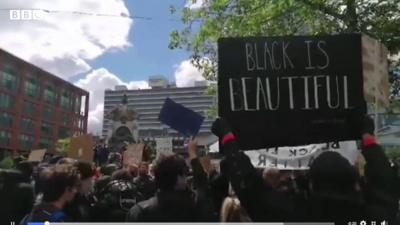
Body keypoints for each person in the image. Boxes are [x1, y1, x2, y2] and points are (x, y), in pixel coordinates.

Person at [211, 116, 399, 224]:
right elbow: (385, 181)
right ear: (356, 184)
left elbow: (251, 190)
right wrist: (368, 136)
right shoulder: (379, 217)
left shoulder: (296, 216)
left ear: (311, 184)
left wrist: (228, 138)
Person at [126, 143, 215, 222]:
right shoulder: (196, 206)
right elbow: (203, 186)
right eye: (185, 174)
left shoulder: (139, 212)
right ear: (180, 178)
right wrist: (193, 155)